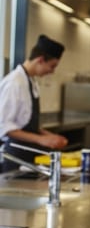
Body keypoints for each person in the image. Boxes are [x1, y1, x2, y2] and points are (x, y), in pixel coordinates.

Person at [0, 35, 68, 173]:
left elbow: (25, 124)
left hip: (29, 154)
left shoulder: (30, 81)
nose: (52, 71)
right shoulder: (15, 83)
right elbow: (4, 126)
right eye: (52, 66)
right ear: (40, 60)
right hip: (16, 157)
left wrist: (48, 136)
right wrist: (41, 140)